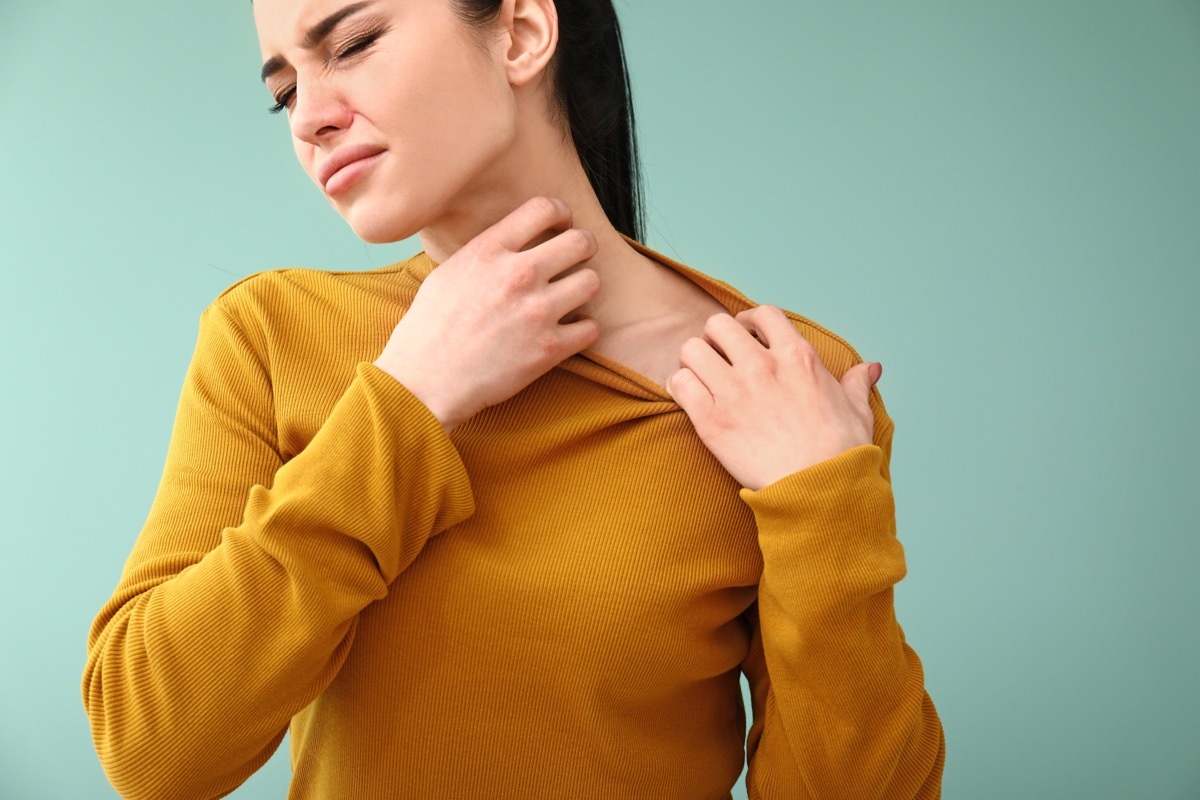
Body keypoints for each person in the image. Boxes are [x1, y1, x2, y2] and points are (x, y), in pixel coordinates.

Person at [82, 0, 946, 797]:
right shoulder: (272, 337)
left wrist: (824, 505)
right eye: (284, 93)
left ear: (523, 32)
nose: (309, 117)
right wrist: (410, 398)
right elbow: (153, 748)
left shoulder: (785, 378)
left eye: (352, 44)